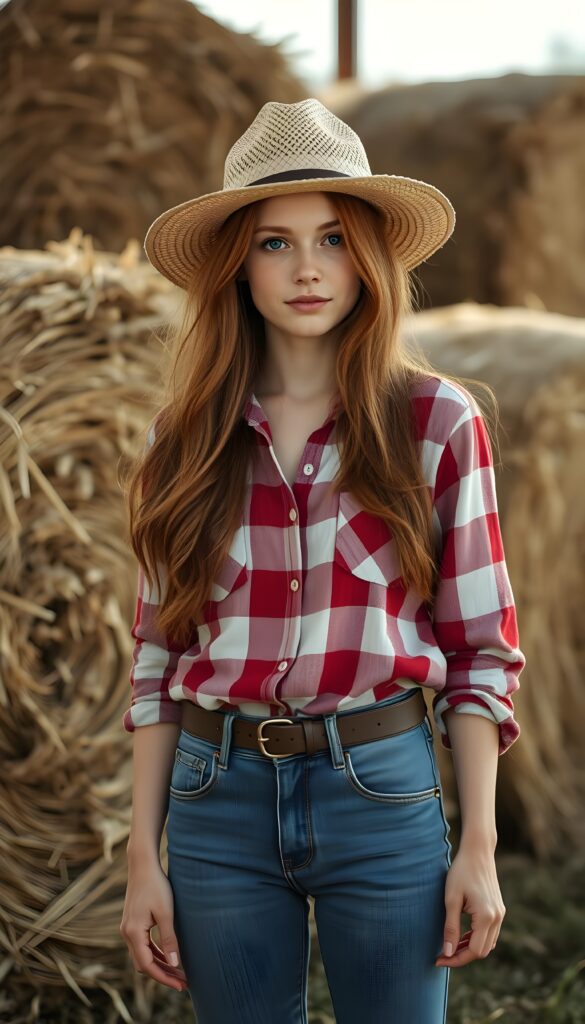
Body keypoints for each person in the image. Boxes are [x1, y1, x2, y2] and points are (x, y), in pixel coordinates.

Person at [119, 98, 525, 1024]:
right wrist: (144, 856)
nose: (307, 268)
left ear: (369, 255)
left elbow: (480, 653)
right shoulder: (181, 442)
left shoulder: (435, 424)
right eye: (273, 242)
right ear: (236, 265)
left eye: (333, 237)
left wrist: (479, 846)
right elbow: (156, 662)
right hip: (214, 799)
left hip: (379, 791)